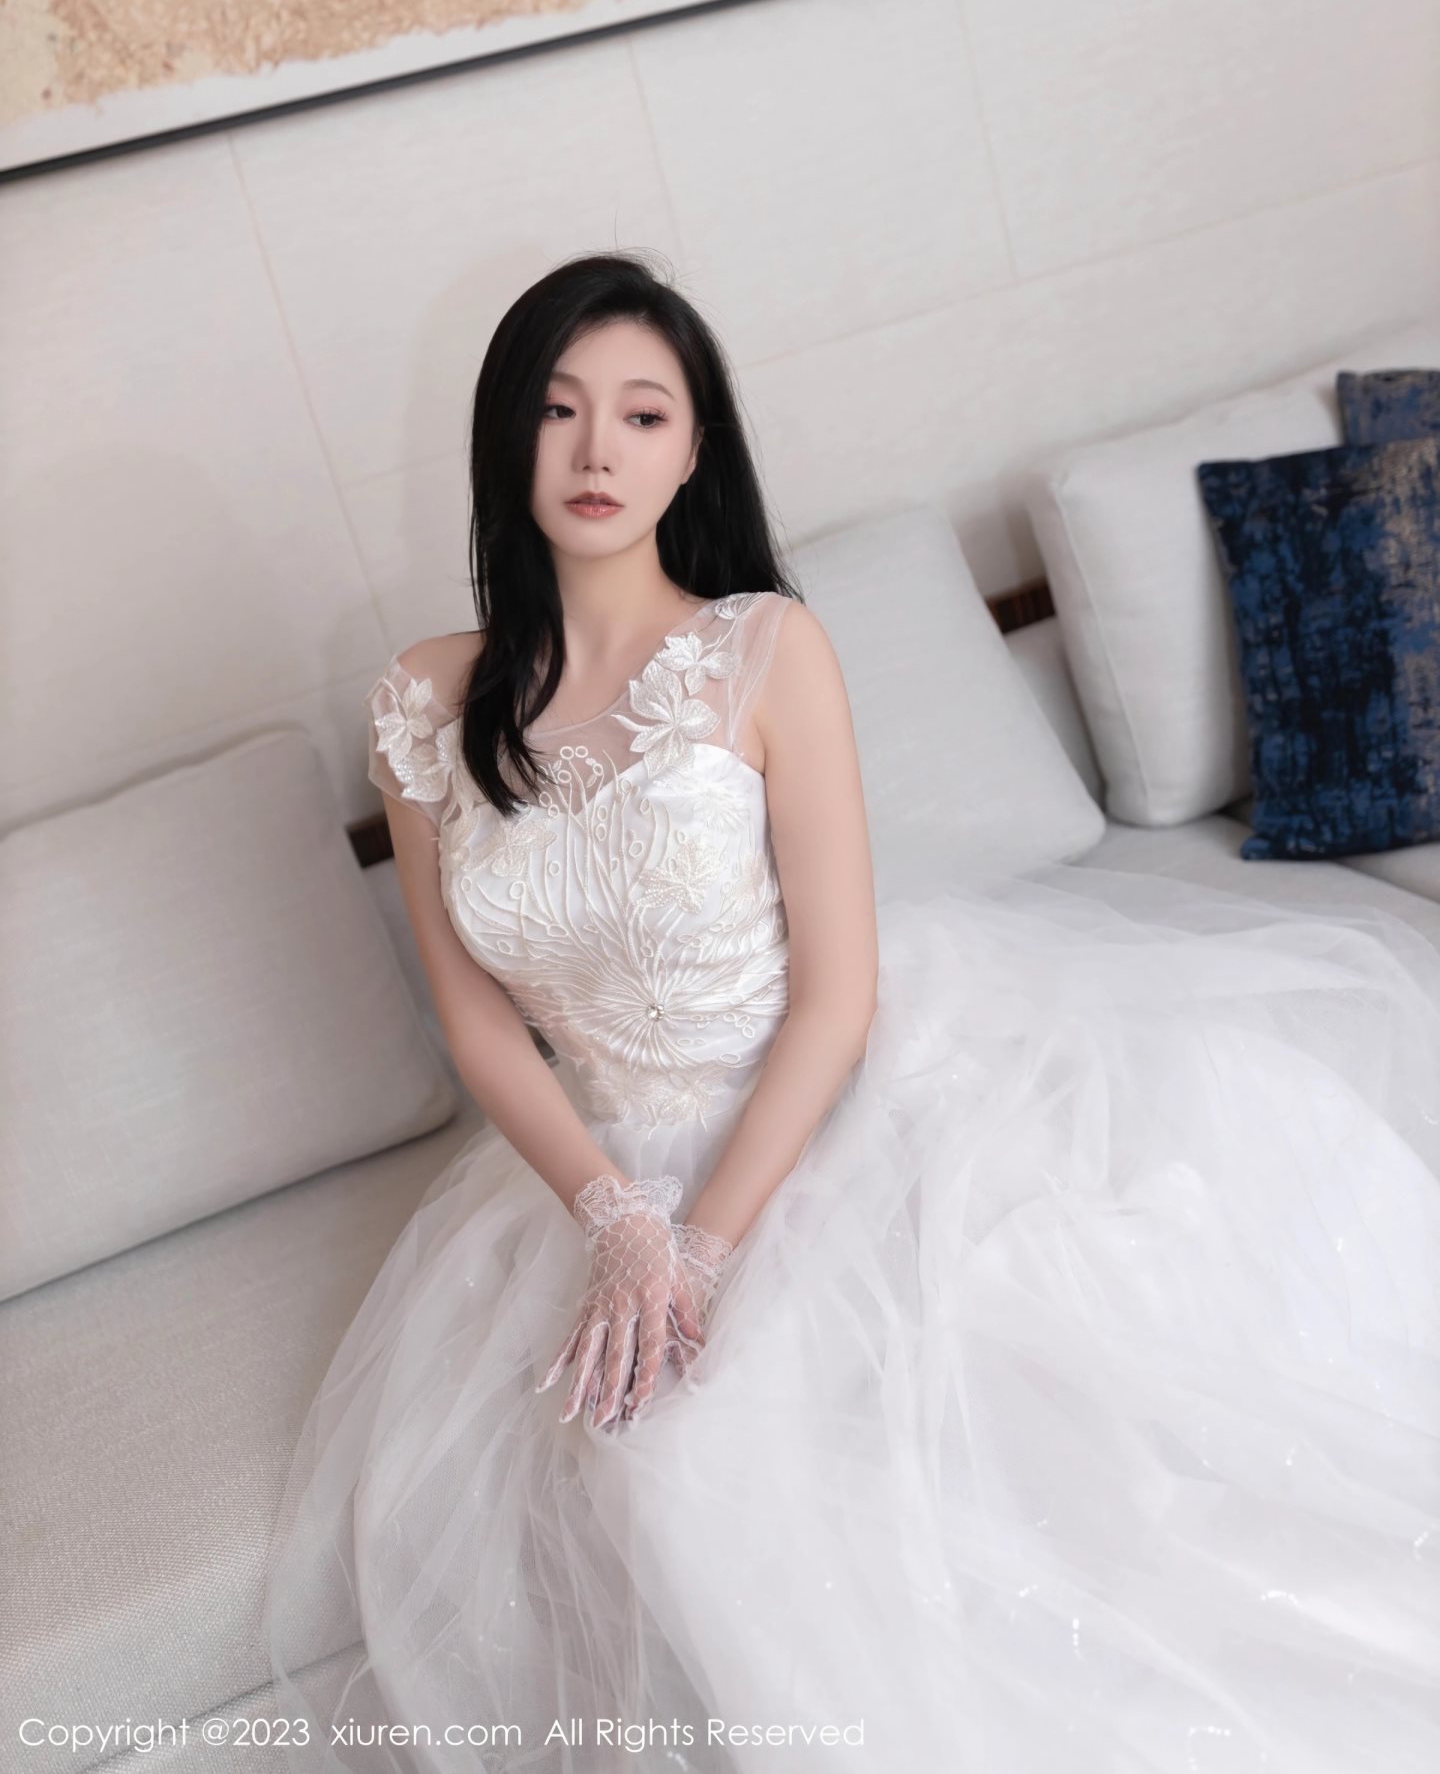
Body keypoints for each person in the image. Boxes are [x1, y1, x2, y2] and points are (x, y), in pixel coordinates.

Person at [263, 251, 1440, 1774]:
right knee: (659, 1479)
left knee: (977, 1450)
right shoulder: (424, 700)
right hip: (595, 1160)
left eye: (642, 414)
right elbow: (475, 1016)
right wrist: (615, 1217)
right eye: (559, 410)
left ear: (693, 448)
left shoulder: (764, 648)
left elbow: (837, 996)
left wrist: (700, 1246)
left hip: (827, 1112)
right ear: (507, 435)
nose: (599, 449)